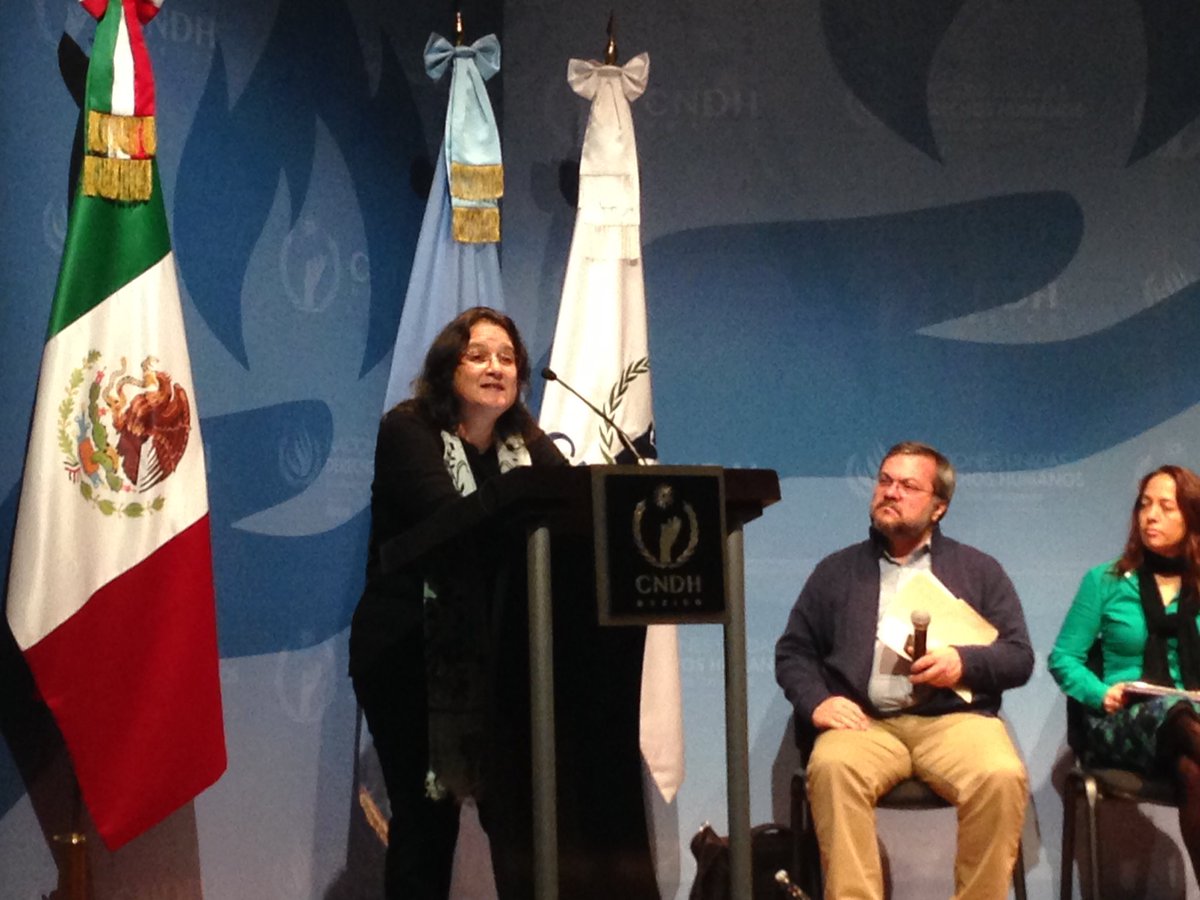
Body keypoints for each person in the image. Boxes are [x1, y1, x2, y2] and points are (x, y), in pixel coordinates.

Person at [349, 306, 656, 899]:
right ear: (448, 369)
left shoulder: (527, 444)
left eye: (508, 358)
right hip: (409, 655)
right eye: (479, 355)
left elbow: (576, 513)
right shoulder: (408, 430)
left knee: (524, 818)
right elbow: (447, 519)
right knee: (427, 823)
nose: (496, 367)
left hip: (505, 657)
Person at [775, 441, 1033, 900]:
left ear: (939, 507)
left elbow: (1018, 656)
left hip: (953, 721)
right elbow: (794, 652)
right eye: (885, 481)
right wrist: (818, 701)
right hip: (865, 723)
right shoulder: (836, 571)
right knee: (832, 767)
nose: (890, 492)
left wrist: (964, 662)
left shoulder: (979, 570)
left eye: (908, 486)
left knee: (1000, 774)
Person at [1048, 464, 1200, 878]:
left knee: (1193, 772)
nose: (1151, 516)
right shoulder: (1106, 580)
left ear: (1191, 516)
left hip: (1189, 728)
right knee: (1176, 715)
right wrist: (1100, 693)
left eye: (1166, 507)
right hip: (1121, 721)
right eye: (1145, 505)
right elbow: (1063, 658)